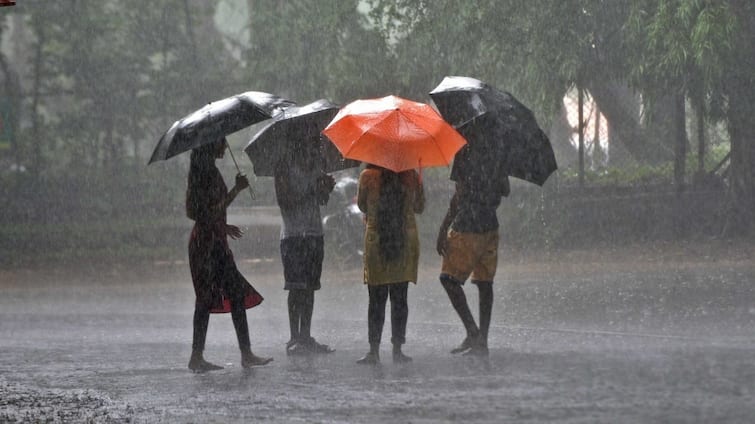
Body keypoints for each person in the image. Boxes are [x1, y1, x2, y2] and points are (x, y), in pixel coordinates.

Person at [186, 137, 272, 372]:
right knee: (204, 299)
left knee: (235, 294)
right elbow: (195, 212)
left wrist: (223, 224)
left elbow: (213, 209)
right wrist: (235, 190)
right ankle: (197, 357)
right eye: (221, 142)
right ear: (209, 144)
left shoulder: (210, 170)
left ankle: (246, 353)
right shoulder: (200, 174)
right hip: (205, 245)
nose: (224, 146)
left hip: (216, 242)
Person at [436, 143, 510, 357]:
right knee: (485, 283)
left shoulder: (464, 151)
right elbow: (505, 190)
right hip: (490, 224)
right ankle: (482, 341)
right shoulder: (498, 152)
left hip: (469, 224)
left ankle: (472, 332)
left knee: (448, 279)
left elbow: (458, 197)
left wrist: (443, 228)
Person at [356, 164, 425, 364]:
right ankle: (397, 349)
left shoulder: (367, 176)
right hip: (404, 240)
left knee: (376, 299)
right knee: (400, 298)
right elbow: (419, 207)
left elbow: (362, 206)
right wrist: (418, 184)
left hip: (377, 241)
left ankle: (374, 350)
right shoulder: (410, 175)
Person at [273, 141, 336, 355]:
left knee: (309, 287)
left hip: (313, 233)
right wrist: (312, 189)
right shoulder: (283, 166)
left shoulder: (317, 163)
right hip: (293, 235)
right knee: (295, 287)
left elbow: (322, 200)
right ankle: (294, 337)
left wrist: (326, 188)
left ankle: (306, 336)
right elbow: (284, 201)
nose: (314, 142)